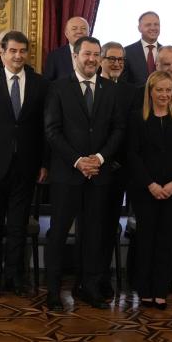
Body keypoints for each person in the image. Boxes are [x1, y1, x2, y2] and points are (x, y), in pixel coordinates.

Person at [44, 36, 126, 310]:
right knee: (57, 234)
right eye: (87, 54)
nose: (91, 59)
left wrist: (100, 158)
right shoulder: (57, 88)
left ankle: (88, 288)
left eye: (96, 55)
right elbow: (52, 131)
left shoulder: (111, 90)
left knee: (93, 234)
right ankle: (53, 292)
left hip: (99, 175)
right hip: (67, 174)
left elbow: (118, 130)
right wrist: (78, 160)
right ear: (75, 56)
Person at [0, 31, 49, 298]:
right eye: (13, 51)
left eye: (23, 51)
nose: (18, 56)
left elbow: (43, 128)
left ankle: (14, 277)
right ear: (2, 52)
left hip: (27, 165)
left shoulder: (39, 83)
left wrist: (43, 163)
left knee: (17, 226)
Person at [128, 70, 172, 309]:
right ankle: (144, 290)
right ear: (150, 91)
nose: (165, 94)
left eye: (169, 90)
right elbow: (132, 155)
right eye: (160, 90)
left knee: (166, 241)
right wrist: (151, 184)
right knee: (146, 240)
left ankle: (160, 291)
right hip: (145, 190)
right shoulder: (137, 118)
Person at [97, 41, 139, 299]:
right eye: (111, 59)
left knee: (111, 224)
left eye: (120, 60)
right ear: (101, 59)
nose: (116, 64)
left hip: (120, 169)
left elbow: (131, 131)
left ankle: (104, 277)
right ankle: (90, 275)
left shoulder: (131, 91)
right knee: (93, 226)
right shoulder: (94, 86)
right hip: (93, 168)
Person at [42, 16, 89, 81]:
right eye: (74, 29)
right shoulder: (54, 56)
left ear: (88, 33)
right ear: (66, 34)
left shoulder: (97, 55)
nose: (79, 31)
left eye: (83, 28)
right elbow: (48, 84)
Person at [122, 11, 162, 85]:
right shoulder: (126, 52)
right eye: (148, 25)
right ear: (139, 28)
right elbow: (122, 84)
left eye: (156, 24)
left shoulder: (167, 52)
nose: (153, 28)